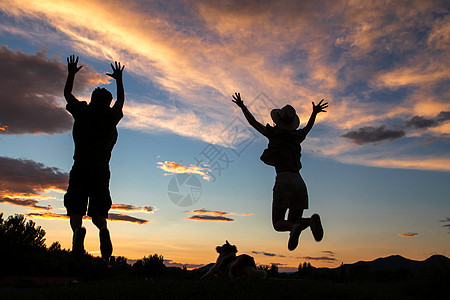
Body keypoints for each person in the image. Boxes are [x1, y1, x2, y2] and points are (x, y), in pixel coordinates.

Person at [232, 92, 328, 251]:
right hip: (300, 182)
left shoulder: (273, 134)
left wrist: (242, 106)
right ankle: (310, 222)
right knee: (294, 220)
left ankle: (294, 229)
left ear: (278, 120)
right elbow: (308, 128)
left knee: (278, 223)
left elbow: (253, 123)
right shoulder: (298, 136)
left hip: (283, 179)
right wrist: (314, 113)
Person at [63, 55, 125, 260]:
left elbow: (67, 94)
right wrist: (119, 80)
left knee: (75, 208)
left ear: (92, 100)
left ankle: (77, 232)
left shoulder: (83, 111)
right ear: (108, 103)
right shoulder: (110, 117)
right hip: (101, 169)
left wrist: (71, 73)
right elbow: (121, 101)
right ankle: (103, 230)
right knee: (99, 212)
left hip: (80, 167)